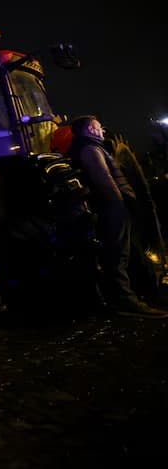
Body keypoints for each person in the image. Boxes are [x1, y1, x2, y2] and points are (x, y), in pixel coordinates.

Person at [68, 115, 168, 318]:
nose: (102, 129)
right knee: (117, 255)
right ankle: (124, 301)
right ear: (90, 130)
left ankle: (131, 296)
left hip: (117, 207)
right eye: (97, 126)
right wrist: (119, 205)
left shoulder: (95, 148)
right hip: (113, 208)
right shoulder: (90, 150)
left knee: (122, 253)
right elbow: (104, 179)